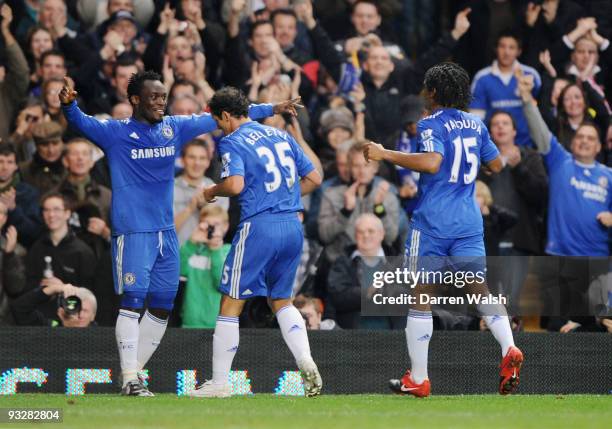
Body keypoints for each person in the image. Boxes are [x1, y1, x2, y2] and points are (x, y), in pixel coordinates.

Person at [60, 71, 300, 396]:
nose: (161, 102)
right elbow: (82, 123)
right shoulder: (115, 133)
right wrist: (70, 106)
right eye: (154, 97)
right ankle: (130, 376)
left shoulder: (174, 127)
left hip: (167, 232)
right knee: (132, 301)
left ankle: (133, 375)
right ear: (134, 99)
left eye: (163, 96)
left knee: (162, 305)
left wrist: (273, 108)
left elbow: (225, 117)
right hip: (134, 231)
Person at [364, 62, 524, 397]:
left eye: (427, 87)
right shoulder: (476, 125)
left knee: (421, 296)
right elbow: (496, 165)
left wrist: (384, 154)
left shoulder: (430, 123)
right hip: (467, 220)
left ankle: (419, 379)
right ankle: (508, 346)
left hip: (433, 221)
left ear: (434, 92)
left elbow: (432, 162)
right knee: (479, 290)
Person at [188, 86, 323, 398]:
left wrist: (210, 192)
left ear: (225, 116)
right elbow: (315, 178)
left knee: (231, 301)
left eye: (218, 121)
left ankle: (220, 384)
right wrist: (284, 198)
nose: (218, 127)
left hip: (259, 226)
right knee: (281, 300)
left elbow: (235, 185)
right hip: (292, 225)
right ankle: (305, 359)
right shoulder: (282, 136)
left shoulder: (231, 141)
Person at [179, 205, 230, 328]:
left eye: (216, 224)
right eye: (206, 224)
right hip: (190, 322)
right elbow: (179, 271)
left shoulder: (228, 251)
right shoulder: (193, 250)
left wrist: (215, 251)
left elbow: (221, 285)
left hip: (216, 324)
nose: (211, 229)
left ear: (226, 226)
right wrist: (191, 243)